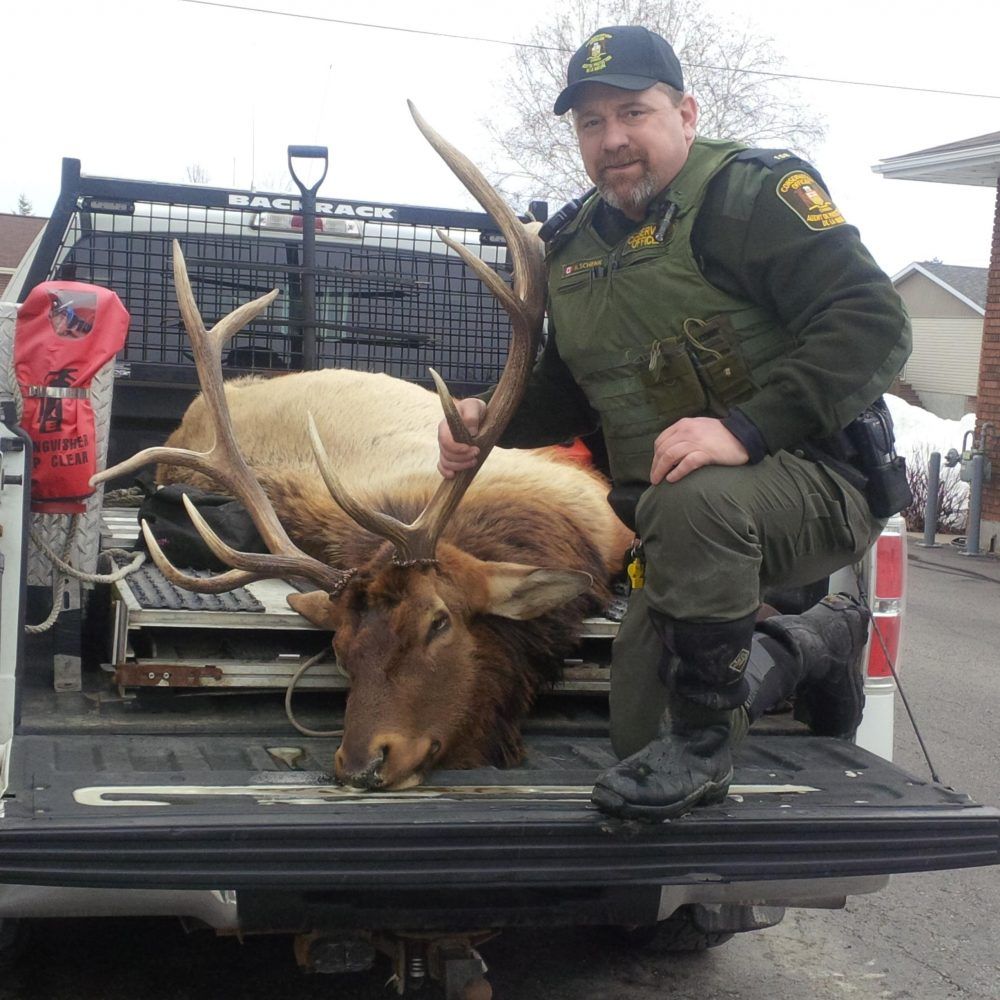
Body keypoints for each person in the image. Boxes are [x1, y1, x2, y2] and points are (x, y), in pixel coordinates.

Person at [438, 25, 911, 821]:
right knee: (634, 733)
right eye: (591, 123)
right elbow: (570, 389)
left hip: (818, 479)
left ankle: (703, 753)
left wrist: (746, 429)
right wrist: (491, 419)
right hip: (680, 519)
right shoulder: (570, 248)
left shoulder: (751, 197)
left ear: (685, 113)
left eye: (634, 112)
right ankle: (812, 644)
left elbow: (871, 320)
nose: (613, 139)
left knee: (700, 504)